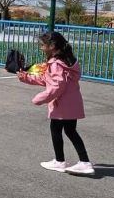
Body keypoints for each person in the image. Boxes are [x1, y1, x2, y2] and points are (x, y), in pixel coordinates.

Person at [17, 32, 94, 176]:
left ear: (52, 46)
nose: (41, 48)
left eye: (42, 45)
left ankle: (61, 161)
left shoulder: (56, 64)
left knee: (56, 130)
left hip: (62, 104)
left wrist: (40, 98)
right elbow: (48, 80)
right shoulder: (65, 61)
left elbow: (57, 86)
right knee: (70, 131)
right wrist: (26, 77)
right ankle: (84, 162)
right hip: (71, 103)